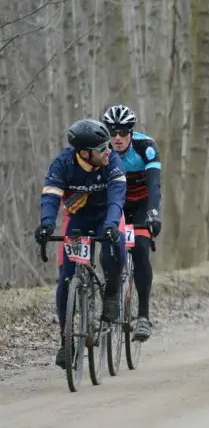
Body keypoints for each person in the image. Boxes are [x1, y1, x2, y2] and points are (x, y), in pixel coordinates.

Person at [34, 119, 127, 368]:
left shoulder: (112, 163)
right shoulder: (63, 164)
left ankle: (112, 292)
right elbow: (51, 197)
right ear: (85, 153)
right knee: (66, 278)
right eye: (103, 148)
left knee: (112, 248)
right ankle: (67, 343)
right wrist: (46, 224)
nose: (110, 151)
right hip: (79, 218)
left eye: (109, 145)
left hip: (107, 214)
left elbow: (117, 198)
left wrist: (110, 224)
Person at [101, 104, 162, 341]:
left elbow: (154, 185)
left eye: (123, 132)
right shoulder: (101, 149)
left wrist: (154, 214)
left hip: (141, 204)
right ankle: (112, 294)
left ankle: (144, 317)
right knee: (108, 248)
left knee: (139, 248)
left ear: (131, 132)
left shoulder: (145, 147)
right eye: (112, 132)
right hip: (114, 203)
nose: (117, 138)